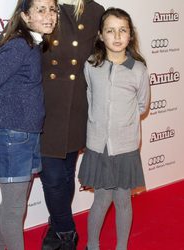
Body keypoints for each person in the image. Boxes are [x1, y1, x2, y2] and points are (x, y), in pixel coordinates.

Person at [0, 0, 105, 249]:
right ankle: (65, 232)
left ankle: (56, 227)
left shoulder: (95, 11)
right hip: (42, 106)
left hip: (75, 105)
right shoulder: (44, 4)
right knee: (52, 177)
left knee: (65, 175)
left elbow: (102, 53)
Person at [0, 0, 58, 249]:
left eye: (52, 9)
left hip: (25, 136)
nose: (49, 15)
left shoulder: (33, 44)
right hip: (12, 138)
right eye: (41, 10)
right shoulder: (19, 46)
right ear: (25, 16)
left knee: (10, 205)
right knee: (14, 210)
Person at [78, 7, 150, 250]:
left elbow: (141, 105)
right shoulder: (91, 65)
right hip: (99, 146)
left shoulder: (138, 69)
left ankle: (122, 247)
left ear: (130, 35)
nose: (117, 36)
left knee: (123, 200)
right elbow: (90, 96)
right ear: (100, 35)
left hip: (125, 147)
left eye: (123, 30)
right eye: (110, 30)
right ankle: (92, 245)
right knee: (101, 199)